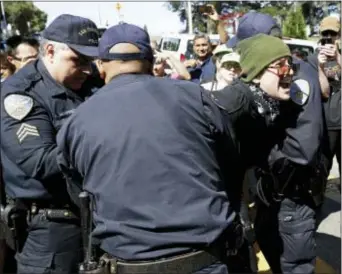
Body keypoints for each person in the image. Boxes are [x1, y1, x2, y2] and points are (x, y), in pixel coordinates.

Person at [57, 22, 251, 274]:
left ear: (101, 65)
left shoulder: (76, 122)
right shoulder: (197, 97)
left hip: (130, 263)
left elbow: (80, 195)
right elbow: (231, 162)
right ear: (149, 60)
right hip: (208, 259)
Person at [225, 11, 328, 274]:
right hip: (273, 195)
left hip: (292, 195)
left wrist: (259, 152)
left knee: (293, 266)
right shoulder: (267, 78)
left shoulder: (295, 75)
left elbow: (301, 149)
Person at [0, 14, 99, 273]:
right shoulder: (21, 94)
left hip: (99, 220)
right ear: (51, 51)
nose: (88, 69)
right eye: (78, 60)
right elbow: (41, 162)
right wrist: (107, 146)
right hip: (52, 229)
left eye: (91, 61)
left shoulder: (91, 81)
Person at [307, 16, 341, 184]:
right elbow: (325, 92)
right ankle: (317, 200)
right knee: (323, 166)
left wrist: (337, 58)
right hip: (327, 122)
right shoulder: (313, 59)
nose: (329, 37)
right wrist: (321, 67)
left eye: (332, 34)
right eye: (325, 34)